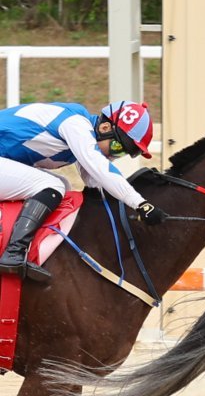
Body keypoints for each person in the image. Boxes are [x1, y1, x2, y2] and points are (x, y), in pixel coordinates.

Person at [0, 100, 167, 283]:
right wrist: (141, 204)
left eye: (121, 153)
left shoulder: (81, 130)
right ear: (104, 127)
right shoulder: (76, 124)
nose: (115, 156)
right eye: (117, 148)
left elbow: (94, 182)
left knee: (61, 184)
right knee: (52, 186)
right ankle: (14, 252)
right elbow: (100, 169)